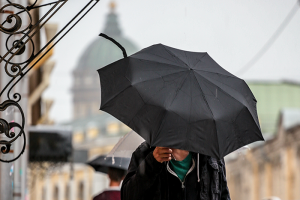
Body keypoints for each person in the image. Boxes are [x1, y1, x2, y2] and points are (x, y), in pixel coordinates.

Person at [121, 142, 231, 200]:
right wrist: (152, 162)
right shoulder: (144, 152)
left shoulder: (211, 154)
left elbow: (223, 196)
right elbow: (127, 196)